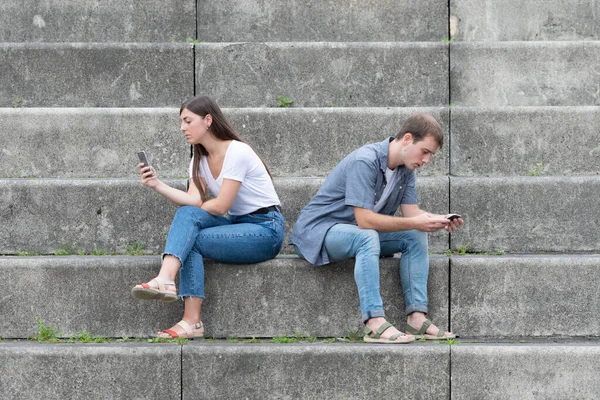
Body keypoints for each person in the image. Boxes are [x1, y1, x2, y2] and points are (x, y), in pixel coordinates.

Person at [291, 114, 462, 344]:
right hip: (319, 232)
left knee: (415, 234)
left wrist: (439, 220)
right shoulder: (366, 161)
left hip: (355, 233)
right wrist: (415, 222)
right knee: (368, 236)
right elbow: (365, 221)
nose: (427, 160)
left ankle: (417, 318)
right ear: (408, 139)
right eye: (425, 151)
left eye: (430, 155)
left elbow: (412, 215)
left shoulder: (405, 170)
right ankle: (374, 323)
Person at [132, 95, 285, 339]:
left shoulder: (237, 151)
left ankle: (180, 303)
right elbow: (193, 201)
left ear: (208, 120)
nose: (182, 128)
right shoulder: (199, 159)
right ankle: (171, 288)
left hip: (266, 230)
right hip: (237, 225)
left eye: (187, 121)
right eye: (181, 122)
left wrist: (200, 207)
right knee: (187, 216)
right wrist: (156, 184)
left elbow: (223, 204)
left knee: (190, 238)